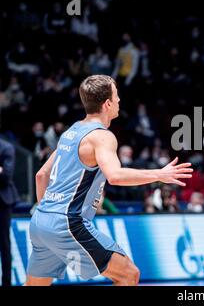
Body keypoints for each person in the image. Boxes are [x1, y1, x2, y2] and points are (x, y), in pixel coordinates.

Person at [24, 75, 193, 286]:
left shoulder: (71, 131)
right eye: (117, 95)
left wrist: (48, 211)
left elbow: (41, 175)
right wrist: (159, 174)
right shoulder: (102, 137)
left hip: (41, 220)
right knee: (129, 275)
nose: (120, 100)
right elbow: (115, 176)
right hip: (67, 222)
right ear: (108, 103)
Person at [0, 138, 20, 286]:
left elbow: (6, 177)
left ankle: (6, 282)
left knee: (4, 245)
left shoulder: (6, 147)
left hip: (2, 203)